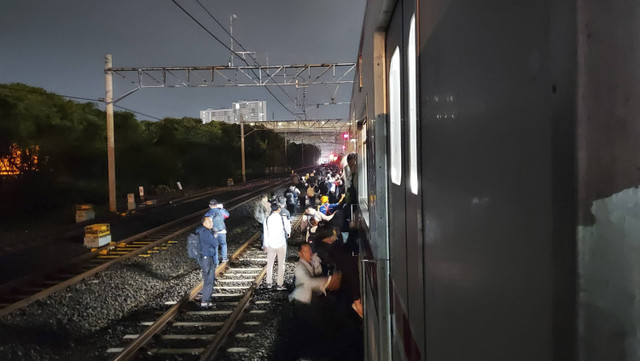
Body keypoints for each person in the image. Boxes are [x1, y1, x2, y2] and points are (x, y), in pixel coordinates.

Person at [262, 202, 291, 290]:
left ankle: (269, 283)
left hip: (270, 244)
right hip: (281, 244)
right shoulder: (283, 218)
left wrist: (265, 244)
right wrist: (288, 233)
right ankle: (279, 284)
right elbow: (288, 229)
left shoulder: (266, 219)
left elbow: (265, 233)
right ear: (279, 209)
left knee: (270, 264)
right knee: (281, 264)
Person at [195, 216, 218, 307]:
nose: (211, 223)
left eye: (211, 222)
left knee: (208, 278)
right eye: (209, 222)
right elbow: (215, 243)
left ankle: (205, 299)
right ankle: (205, 301)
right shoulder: (206, 233)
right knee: (209, 279)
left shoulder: (200, 231)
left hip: (203, 257)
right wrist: (215, 236)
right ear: (204, 223)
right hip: (207, 258)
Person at [205, 199, 230, 263]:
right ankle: (224, 258)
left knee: (214, 247)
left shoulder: (208, 213)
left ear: (210, 206)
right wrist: (222, 208)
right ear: (217, 205)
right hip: (222, 231)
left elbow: (205, 222)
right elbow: (227, 215)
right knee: (223, 244)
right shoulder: (220, 211)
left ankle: (216, 262)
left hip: (213, 232)